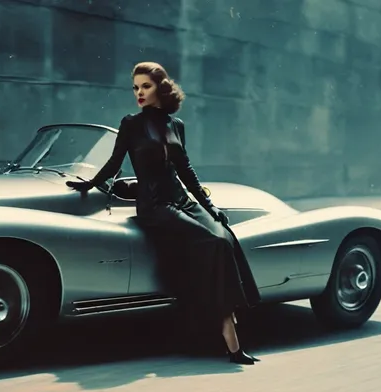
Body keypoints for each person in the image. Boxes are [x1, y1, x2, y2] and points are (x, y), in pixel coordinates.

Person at [65, 62, 262, 365]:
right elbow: (115, 162)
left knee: (225, 235)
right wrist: (90, 183)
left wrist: (210, 207)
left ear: (161, 87)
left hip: (182, 200)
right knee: (216, 244)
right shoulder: (131, 123)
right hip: (155, 206)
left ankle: (229, 329)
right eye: (135, 87)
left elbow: (186, 171)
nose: (139, 93)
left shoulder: (176, 125)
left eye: (145, 86)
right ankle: (229, 334)